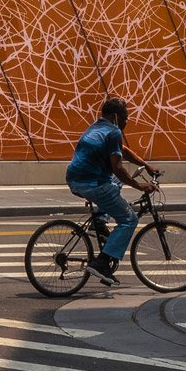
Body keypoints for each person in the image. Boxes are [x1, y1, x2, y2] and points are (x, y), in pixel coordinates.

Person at [64, 97, 155, 286]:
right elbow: (118, 168)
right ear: (115, 116)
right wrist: (139, 186)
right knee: (129, 219)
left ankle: (99, 220)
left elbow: (122, 150)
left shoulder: (98, 127)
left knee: (114, 183)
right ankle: (102, 263)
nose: (127, 121)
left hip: (76, 178)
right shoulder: (114, 132)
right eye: (125, 116)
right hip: (91, 183)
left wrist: (144, 165)